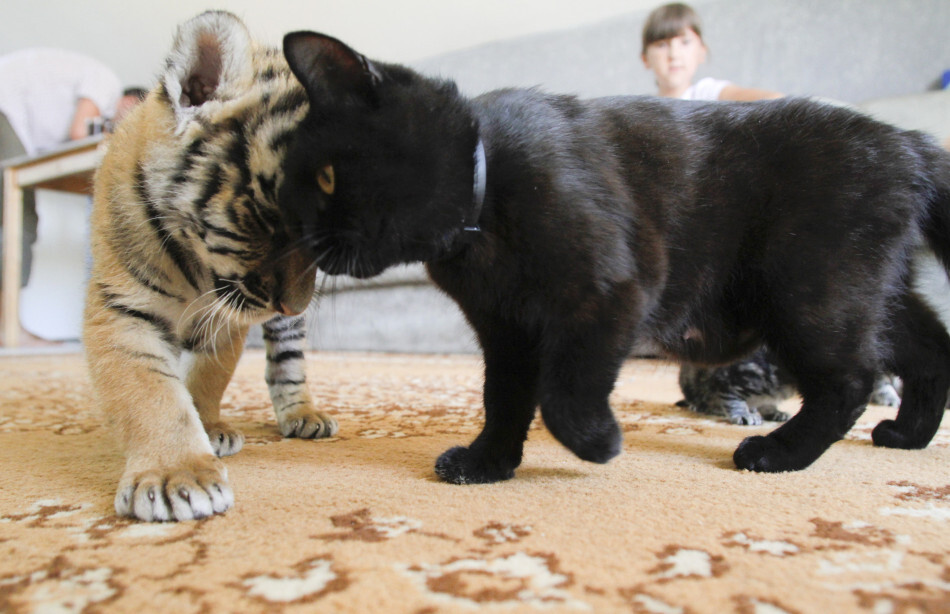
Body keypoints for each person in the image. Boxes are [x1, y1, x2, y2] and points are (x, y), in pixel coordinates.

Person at [0, 48, 136, 344]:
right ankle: (6, 328)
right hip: (3, 107)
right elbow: (79, 134)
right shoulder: (107, 80)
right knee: (18, 218)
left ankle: (6, 326)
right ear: (133, 104)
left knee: (12, 217)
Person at [641, 3, 783, 101]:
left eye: (685, 42)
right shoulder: (641, 109)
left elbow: (775, 101)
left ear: (702, 52)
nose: (674, 54)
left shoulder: (708, 93)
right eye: (662, 45)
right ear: (645, 59)